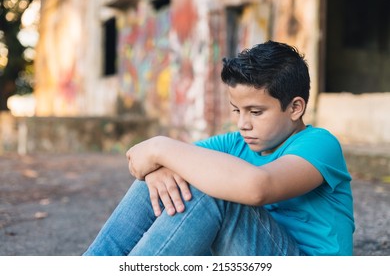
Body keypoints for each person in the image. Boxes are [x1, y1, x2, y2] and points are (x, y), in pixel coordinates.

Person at [83, 40, 354, 256]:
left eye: (256, 112)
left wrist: (160, 147)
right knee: (171, 178)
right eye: (237, 111)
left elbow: (258, 188)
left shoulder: (319, 144)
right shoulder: (232, 143)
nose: (242, 124)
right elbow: (141, 161)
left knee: (211, 188)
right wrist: (158, 164)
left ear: (295, 108)